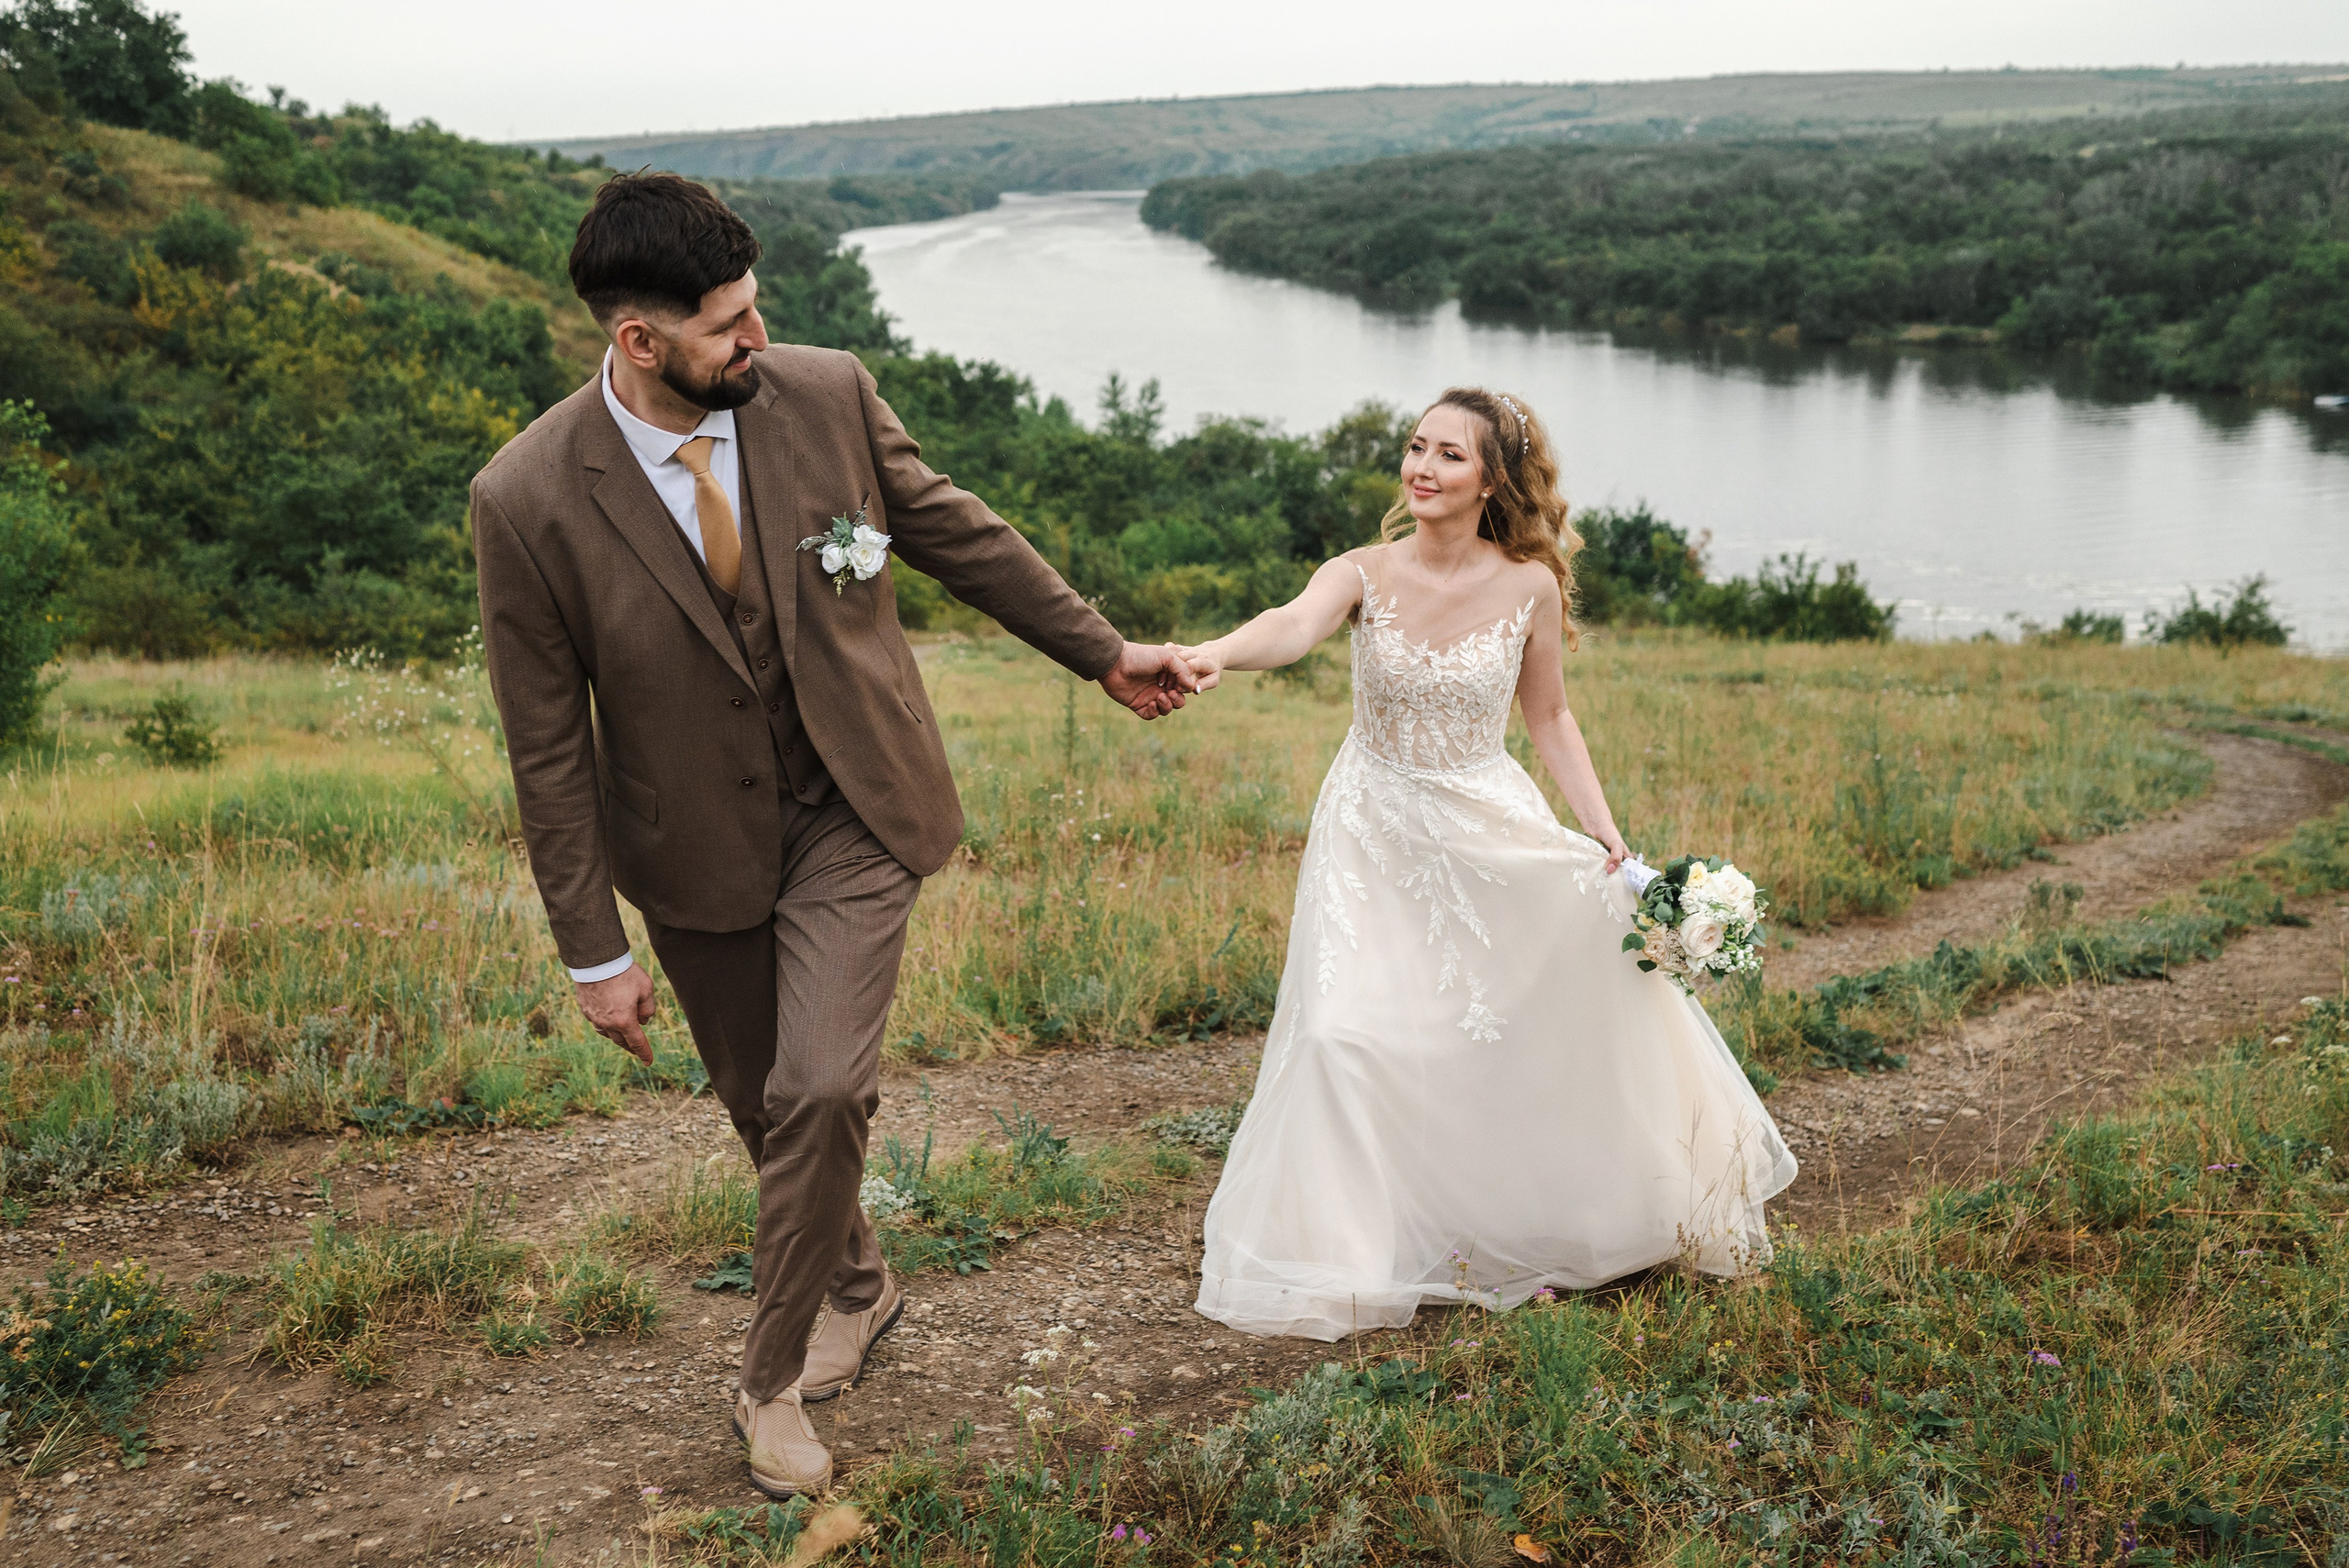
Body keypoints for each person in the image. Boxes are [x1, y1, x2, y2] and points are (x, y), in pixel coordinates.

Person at [470, 172, 1196, 1496]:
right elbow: (547, 747)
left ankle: (770, 1378)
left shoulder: (825, 391)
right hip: (690, 850)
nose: (758, 341)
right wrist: (592, 952)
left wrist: (1101, 652)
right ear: (640, 342)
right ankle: (860, 1281)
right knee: (762, 1101)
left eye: (757, 312)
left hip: (858, 805)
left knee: (817, 1087)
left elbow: (953, 533)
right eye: (728, 328)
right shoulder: (525, 499)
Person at [1178, 387, 1796, 1340]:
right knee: (1346, 1031)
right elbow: (1289, 626)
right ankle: (1348, 1252)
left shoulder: (1529, 585)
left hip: (1483, 822)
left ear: (1491, 478)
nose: (1421, 467)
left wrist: (1604, 834)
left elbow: (1547, 714)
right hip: (1370, 824)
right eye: (1415, 447)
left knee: (1499, 1027)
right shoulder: (1360, 570)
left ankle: (1561, 1209)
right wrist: (1207, 653)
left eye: (1448, 455)